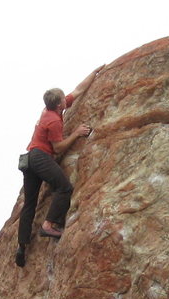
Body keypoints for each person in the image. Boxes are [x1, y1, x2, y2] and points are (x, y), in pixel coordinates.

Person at [15, 65, 104, 267]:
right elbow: (57, 148)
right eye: (64, 99)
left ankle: (21, 246)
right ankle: (49, 225)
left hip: (29, 160)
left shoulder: (49, 110)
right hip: (39, 157)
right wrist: (77, 133)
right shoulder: (54, 120)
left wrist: (94, 73)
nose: (67, 99)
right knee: (64, 187)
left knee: (30, 204)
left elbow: (78, 91)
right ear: (58, 105)